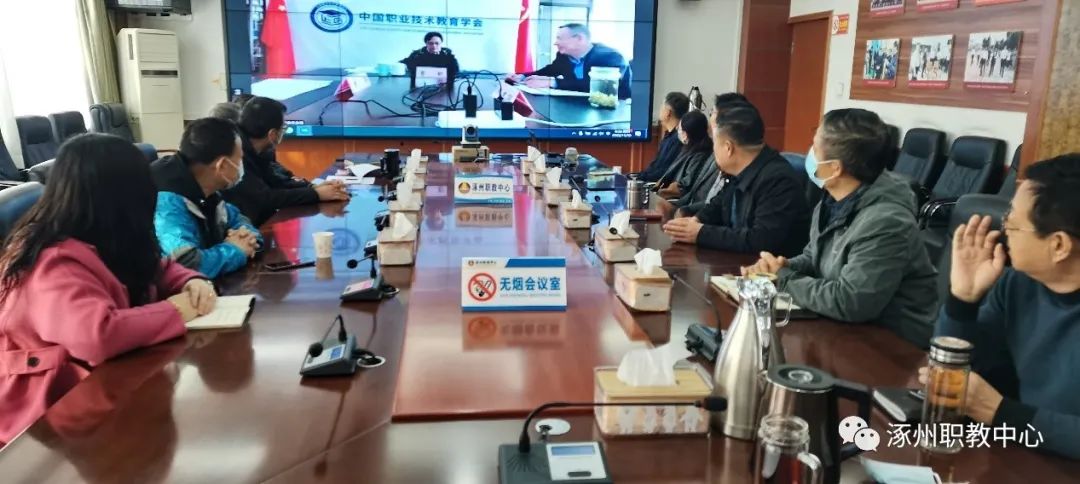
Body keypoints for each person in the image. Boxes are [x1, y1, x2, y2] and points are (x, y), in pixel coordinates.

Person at [0, 133, 215, 445]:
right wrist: (176, 311)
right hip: (45, 417)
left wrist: (191, 281)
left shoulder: (102, 233)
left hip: (99, 388)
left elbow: (155, 267)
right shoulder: (51, 260)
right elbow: (97, 336)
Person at [742, 108, 937, 347]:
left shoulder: (886, 222)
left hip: (893, 346)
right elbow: (815, 256)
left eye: (815, 147)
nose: (810, 154)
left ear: (835, 168)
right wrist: (783, 266)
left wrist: (782, 278)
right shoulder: (833, 199)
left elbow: (851, 301)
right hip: (844, 328)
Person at [928, 154, 1080, 459]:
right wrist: (963, 299)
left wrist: (1002, 413)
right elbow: (962, 369)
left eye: (1014, 220)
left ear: (1059, 245)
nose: (1004, 223)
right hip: (1025, 456)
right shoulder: (1017, 284)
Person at [662, 105, 809, 256]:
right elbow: (720, 203)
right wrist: (696, 220)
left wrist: (701, 233)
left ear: (728, 148)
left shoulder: (778, 180)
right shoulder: (740, 169)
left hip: (765, 267)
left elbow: (760, 240)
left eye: (714, 142)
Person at [152, 117, 264, 278]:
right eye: (240, 159)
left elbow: (238, 219)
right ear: (222, 165)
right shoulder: (166, 201)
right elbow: (186, 264)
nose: (241, 166)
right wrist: (237, 250)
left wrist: (249, 240)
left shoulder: (205, 188)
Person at [222, 97, 348, 226]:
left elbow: (277, 182)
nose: (284, 132)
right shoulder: (235, 153)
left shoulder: (259, 151)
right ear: (272, 134)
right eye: (283, 128)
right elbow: (265, 198)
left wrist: (314, 187)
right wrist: (316, 194)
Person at [670, 92, 751, 215]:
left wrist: (692, 217)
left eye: (712, 112)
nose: (709, 118)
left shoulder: (736, 165)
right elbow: (705, 197)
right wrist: (675, 207)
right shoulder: (714, 151)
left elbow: (720, 207)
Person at [509, 23, 632, 99]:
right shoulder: (564, 56)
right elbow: (550, 70)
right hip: (578, 105)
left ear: (579, 39)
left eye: (560, 38)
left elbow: (600, 87)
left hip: (615, 108)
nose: (555, 43)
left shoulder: (611, 57)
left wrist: (553, 82)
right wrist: (524, 76)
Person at [657, 110, 712, 199]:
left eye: (679, 128)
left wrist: (662, 192)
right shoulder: (688, 149)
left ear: (685, 134)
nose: (676, 129)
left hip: (676, 200)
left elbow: (685, 186)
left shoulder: (699, 155)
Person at [636, 92, 689, 183]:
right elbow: (655, 166)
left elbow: (664, 172)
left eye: (662, 107)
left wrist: (638, 178)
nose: (660, 110)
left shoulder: (678, 140)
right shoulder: (669, 137)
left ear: (668, 112)